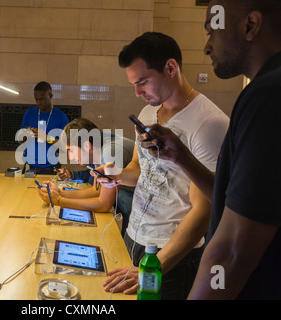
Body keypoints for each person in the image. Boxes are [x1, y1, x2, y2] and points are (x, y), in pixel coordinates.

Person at [141, 0, 281, 300]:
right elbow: (234, 202)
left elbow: (231, 252)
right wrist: (180, 155)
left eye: (213, 31)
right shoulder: (271, 88)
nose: (207, 47)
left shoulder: (272, 95)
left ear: (250, 25)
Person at [98, 32, 229, 299]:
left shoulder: (209, 124)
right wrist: (116, 175)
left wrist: (155, 266)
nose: (138, 92)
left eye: (143, 82)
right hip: (135, 236)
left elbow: (203, 212)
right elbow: (140, 168)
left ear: (170, 68)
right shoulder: (148, 113)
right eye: (133, 84)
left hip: (170, 255)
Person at [38, 118, 135, 234]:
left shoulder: (110, 152)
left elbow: (104, 204)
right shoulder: (97, 145)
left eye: (71, 151)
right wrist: (60, 193)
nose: (70, 157)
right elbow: (96, 190)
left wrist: (58, 201)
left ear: (86, 146)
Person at [21, 81, 69, 174]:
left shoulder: (60, 116)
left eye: (42, 99)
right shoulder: (29, 113)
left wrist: (47, 138)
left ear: (50, 96)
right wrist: (26, 135)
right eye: (36, 99)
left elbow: (65, 145)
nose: (39, 102)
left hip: (50, 166)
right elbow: (21, 139)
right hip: (29, 164)